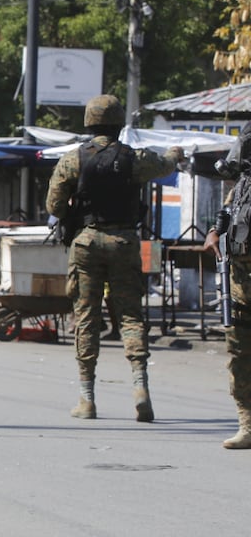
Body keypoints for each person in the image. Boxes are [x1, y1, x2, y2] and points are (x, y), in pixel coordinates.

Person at [45, 94, 182, 422]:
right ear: (119, 124)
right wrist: (174, 152)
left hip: (87, 243)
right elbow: (165, 164)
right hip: (124, 241)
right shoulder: (133, 159)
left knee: (87, 317)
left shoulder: (72, 160)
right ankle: (140, 389)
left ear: (89, 123)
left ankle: (87, 398)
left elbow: (54, 206)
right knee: (131, 316)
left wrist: (75, 212)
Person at [203, 130, 251, 448]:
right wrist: (213, 232)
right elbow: (229, 210)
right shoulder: (245, 180)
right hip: (240, 281)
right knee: (239, 353)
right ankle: (247, 425)